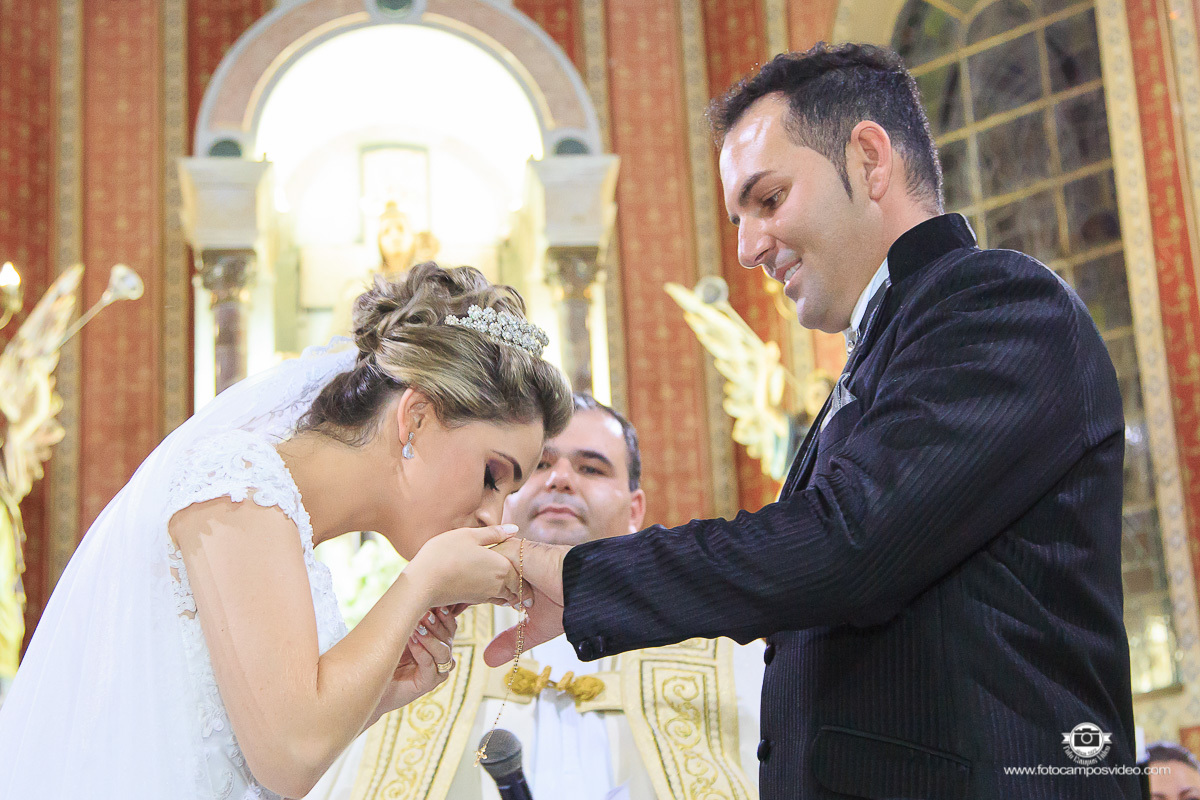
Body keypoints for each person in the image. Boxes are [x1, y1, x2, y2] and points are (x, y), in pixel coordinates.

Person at [486, 43, 1141, 799]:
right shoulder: (876, 358)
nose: (747, 248)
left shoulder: (1000, 305)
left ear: (869, 159)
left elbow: (846, 543)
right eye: (738, 218)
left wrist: (578, 576)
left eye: (768, 200)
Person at [0, 262, 573, 799]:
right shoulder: (238, 487)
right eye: (492, 476)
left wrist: (380, 691)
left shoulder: (284, 521)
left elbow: (264, 740)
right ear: (416, 417)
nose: (494, 517)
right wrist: (421, 584)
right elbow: (289, 755)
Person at [307, 394, 763, 800]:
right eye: (540, 466)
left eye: (591, 468)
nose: (560, 479)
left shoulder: (713, 648)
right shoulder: (420, 634)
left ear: (635, 509)